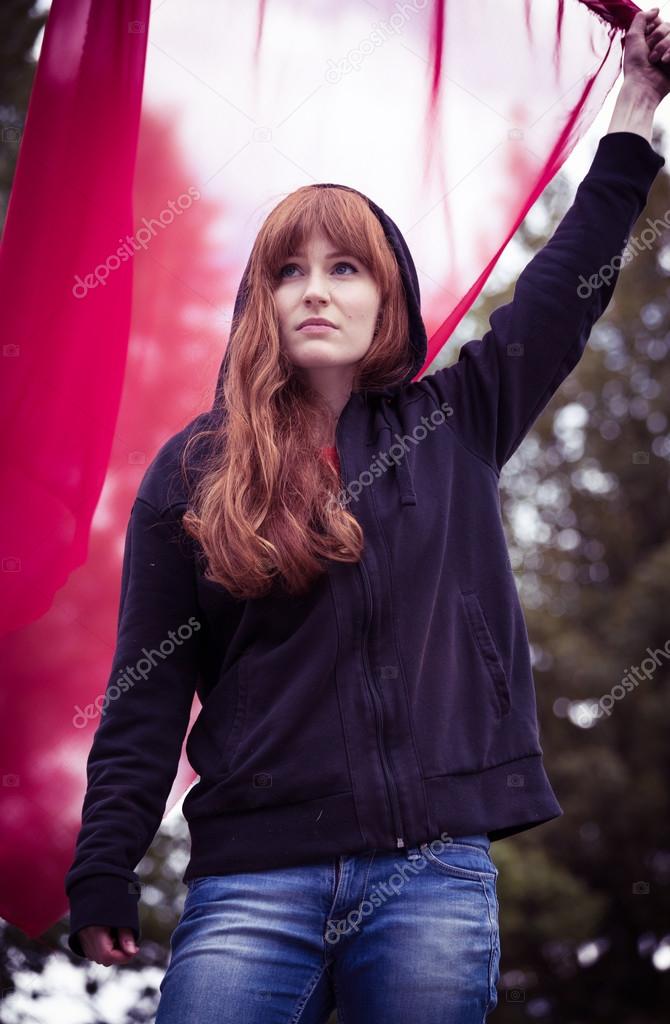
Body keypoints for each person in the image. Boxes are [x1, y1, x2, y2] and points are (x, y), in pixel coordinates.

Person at [64, 10, 669, 1021]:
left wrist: (638, 105)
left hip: (432, 877)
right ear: (259, 300)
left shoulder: (460, 417)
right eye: (288, 271)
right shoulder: (193, 471)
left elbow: (567, 281)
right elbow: (146, 692)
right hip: (249, 881)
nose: (314, 290)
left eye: (343, 268)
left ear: (387, 295)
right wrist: (104, 865)